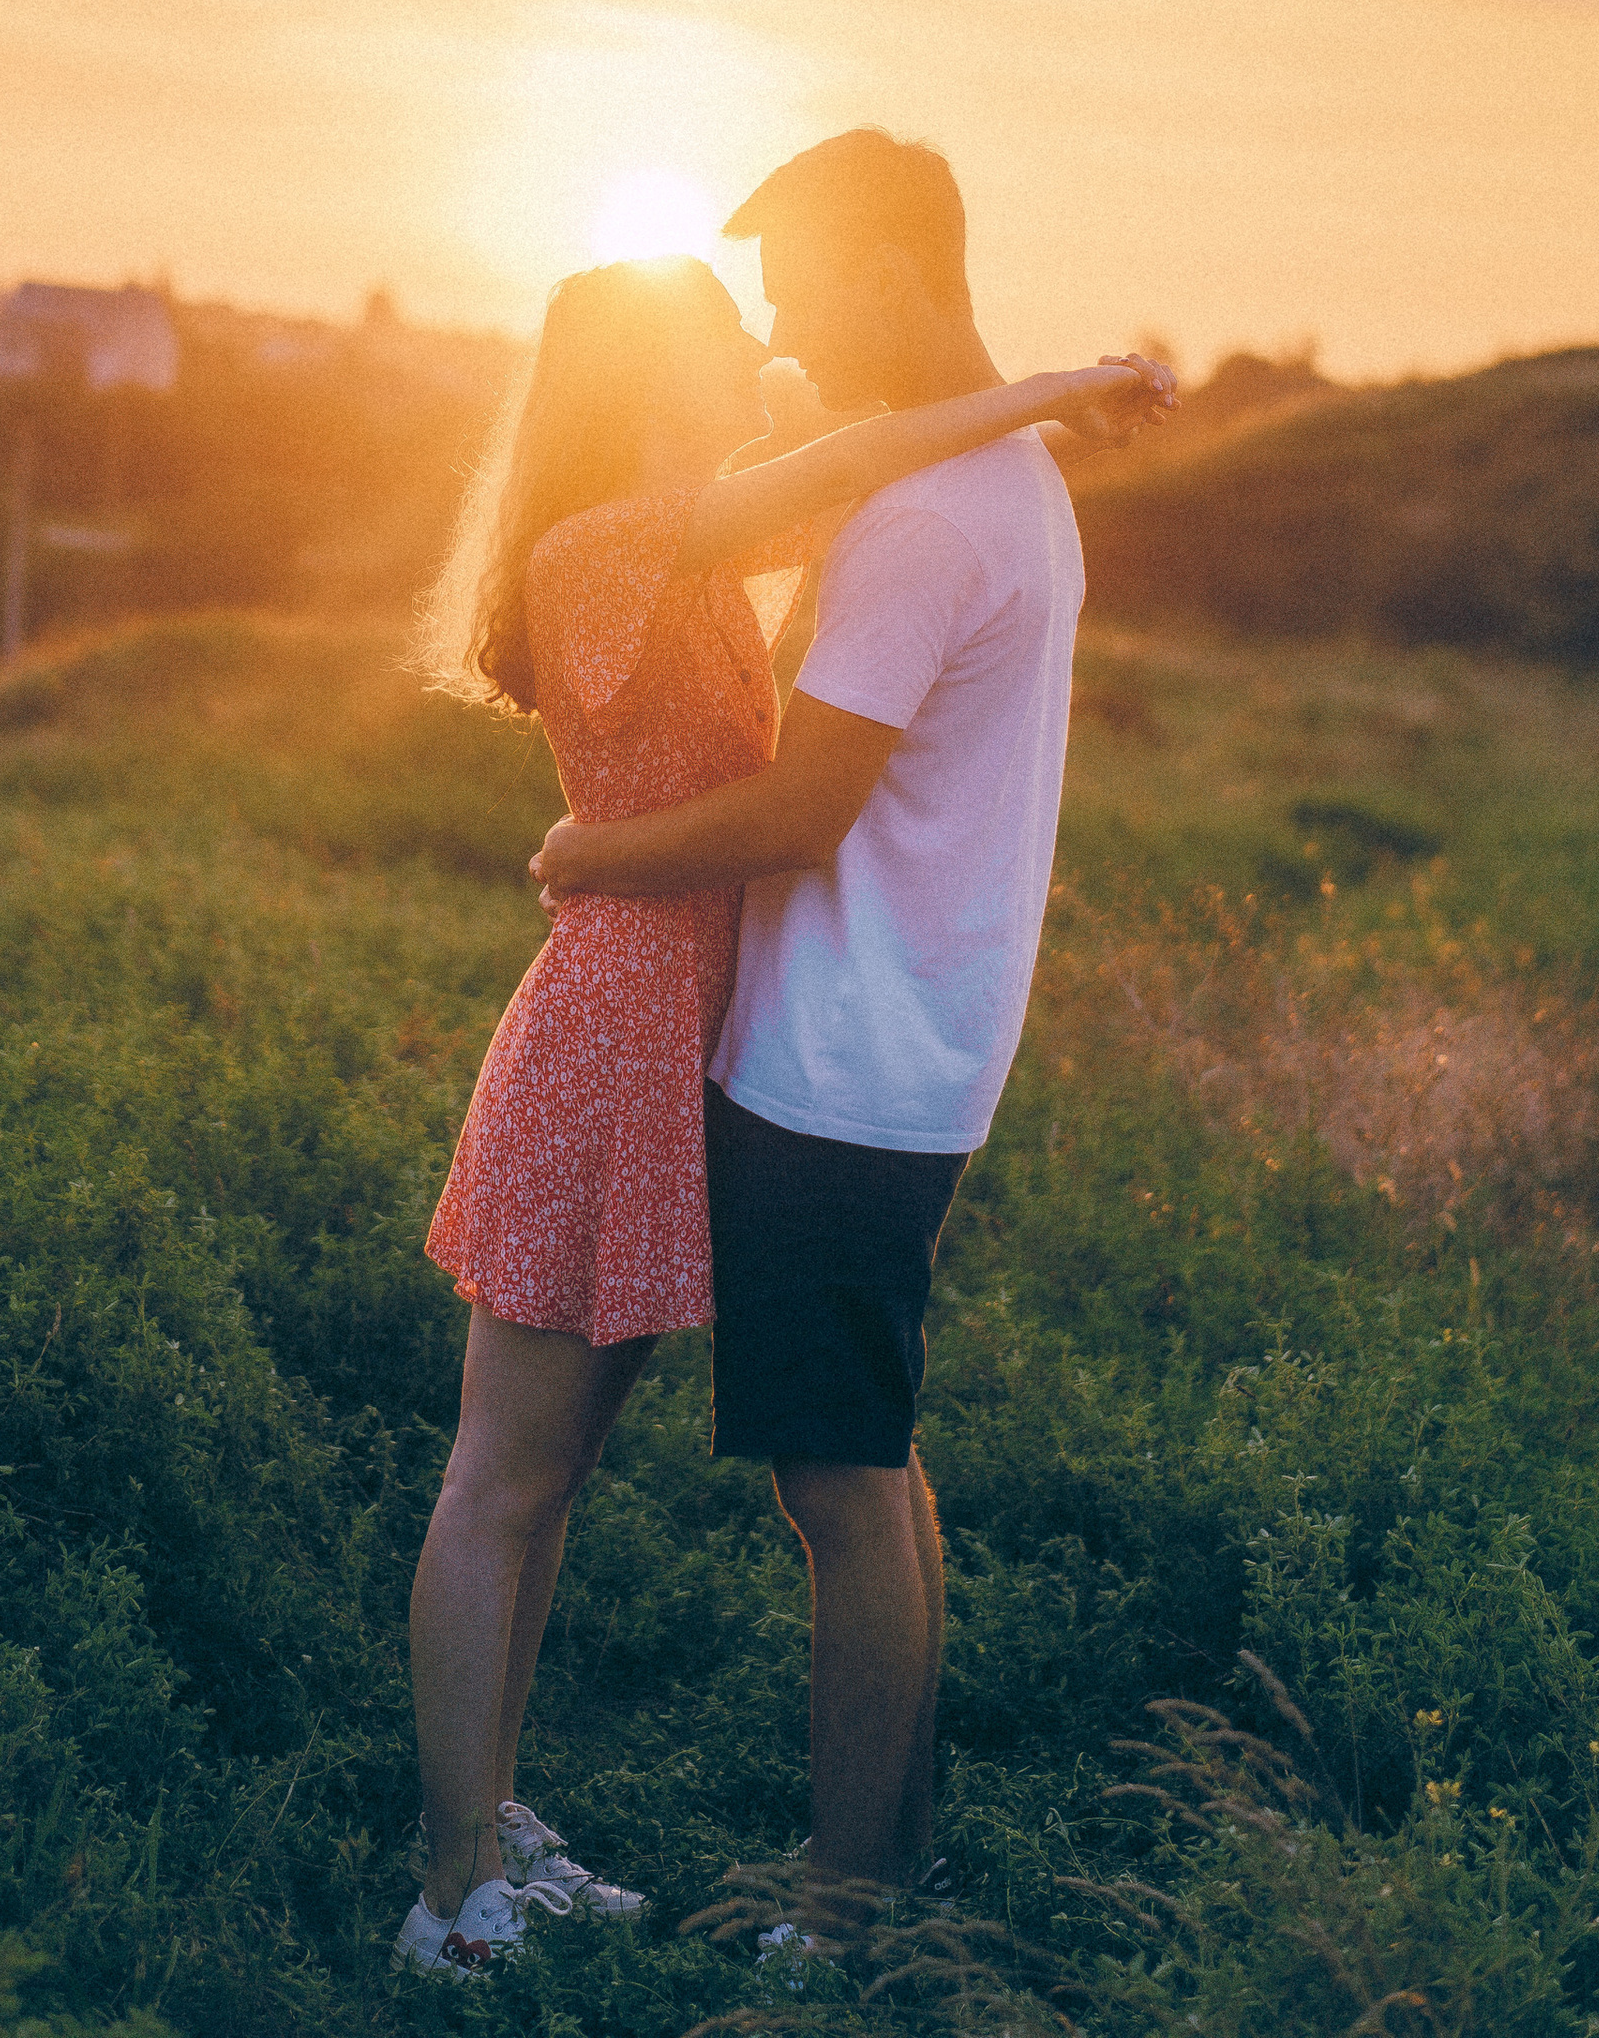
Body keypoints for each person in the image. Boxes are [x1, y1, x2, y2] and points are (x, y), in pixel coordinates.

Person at [396, 238, 1167, 1978]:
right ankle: (448, 1895)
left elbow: (884, 491)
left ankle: (497, 1824)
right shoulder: (608, 544)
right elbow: (846, 470)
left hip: (680, 1035)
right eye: (723, 326)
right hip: (605, 1037)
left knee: (558, 1474)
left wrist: (1016, 431)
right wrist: (1060, 386)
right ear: (645, 378)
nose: (762, 337)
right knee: (503, 1476)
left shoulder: (685, 531)